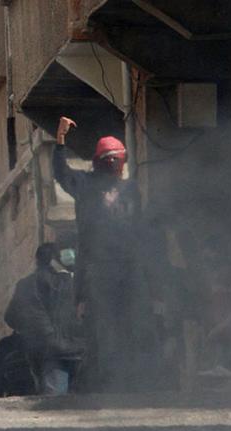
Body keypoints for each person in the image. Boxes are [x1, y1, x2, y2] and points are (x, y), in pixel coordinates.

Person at [53, 116, 157, 392]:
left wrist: (61, 140)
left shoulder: (121, 189)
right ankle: (110, 384)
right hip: (106, 270)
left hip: (116, 270)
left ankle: (122, 383)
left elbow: (141, 232)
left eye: (116, 159)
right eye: (111, 159)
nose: (114, 163)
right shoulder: (96, 186)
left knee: (121, 326)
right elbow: (61, 174)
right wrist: (60, 141)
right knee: (110, 328)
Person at [4, 243, 85, 396]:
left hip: (44, 349)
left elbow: (10, 318)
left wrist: (32, 333)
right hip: (78, 347)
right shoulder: (75, 284)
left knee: (54, 399)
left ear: (37, 260)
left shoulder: (26, 284)